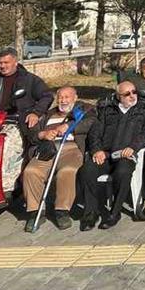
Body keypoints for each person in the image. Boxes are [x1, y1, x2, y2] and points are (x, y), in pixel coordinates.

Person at [20, 86, 95, 231]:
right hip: (48, 149)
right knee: (31, 171)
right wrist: (43, 135)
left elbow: (91, 122)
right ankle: (36, 212)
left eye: (67, 97)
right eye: (60, 97)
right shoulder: (48, 114)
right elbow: (33, 134)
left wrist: (69, 126)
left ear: (75, 97)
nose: (63, 100)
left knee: (67, 171)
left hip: (71, 148)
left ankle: (62, 211)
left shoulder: (85, 109)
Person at [80, 80, 145, 230]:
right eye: (127, 94)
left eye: (134, 92)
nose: (132, 96)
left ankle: (115, 212)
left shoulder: (144, 109)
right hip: (105, 154)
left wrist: (134, 147)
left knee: (123, 172)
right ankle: (90, 213)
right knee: (87, 171)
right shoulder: (107, 111)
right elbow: (95, 134)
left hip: (126, 155)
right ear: (119, 97)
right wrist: (96, 150)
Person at [0, 48, 53, 129]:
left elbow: (47, 96)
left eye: (6, 62)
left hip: (19, 122)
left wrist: (35, 113)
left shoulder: (29, 79)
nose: (2, 66)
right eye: (0, 63)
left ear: (15, 63)